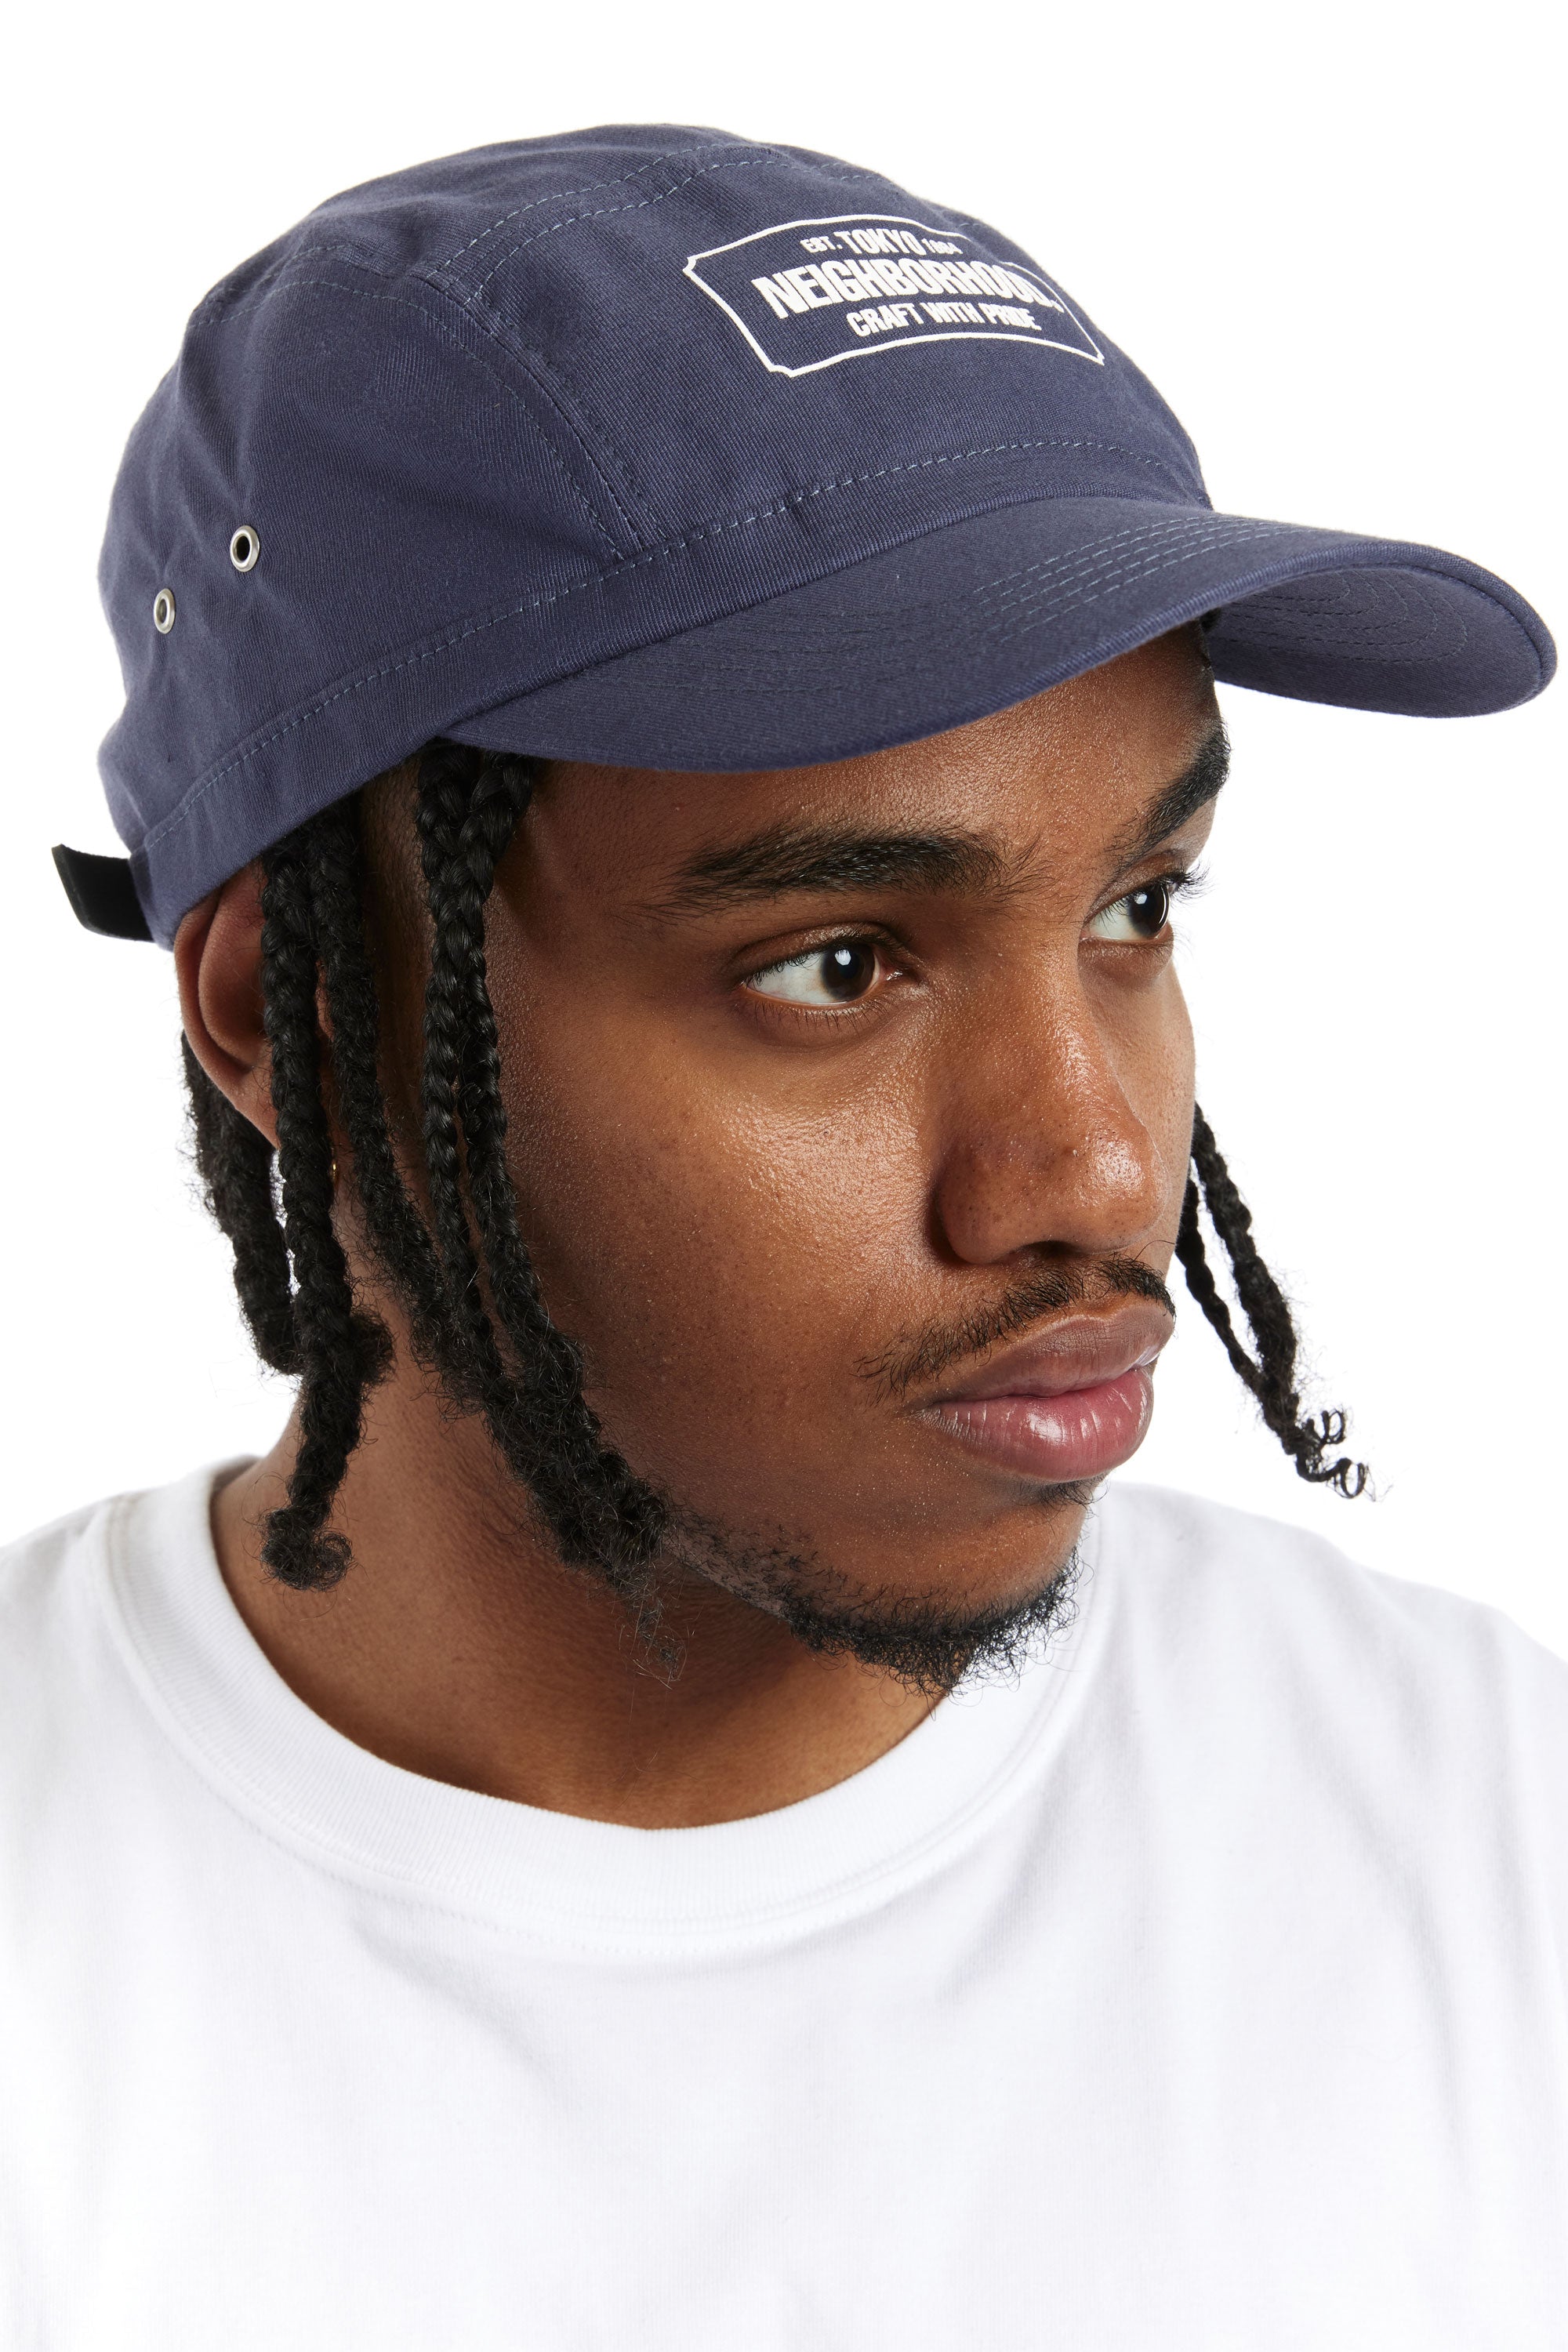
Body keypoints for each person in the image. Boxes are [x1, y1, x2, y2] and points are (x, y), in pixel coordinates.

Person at [9, 124, 1564, 2348]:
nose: (1091, 1172)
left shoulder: (1487, 1831)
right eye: (838, 965)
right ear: (297, 1018)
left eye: (1139, 909)